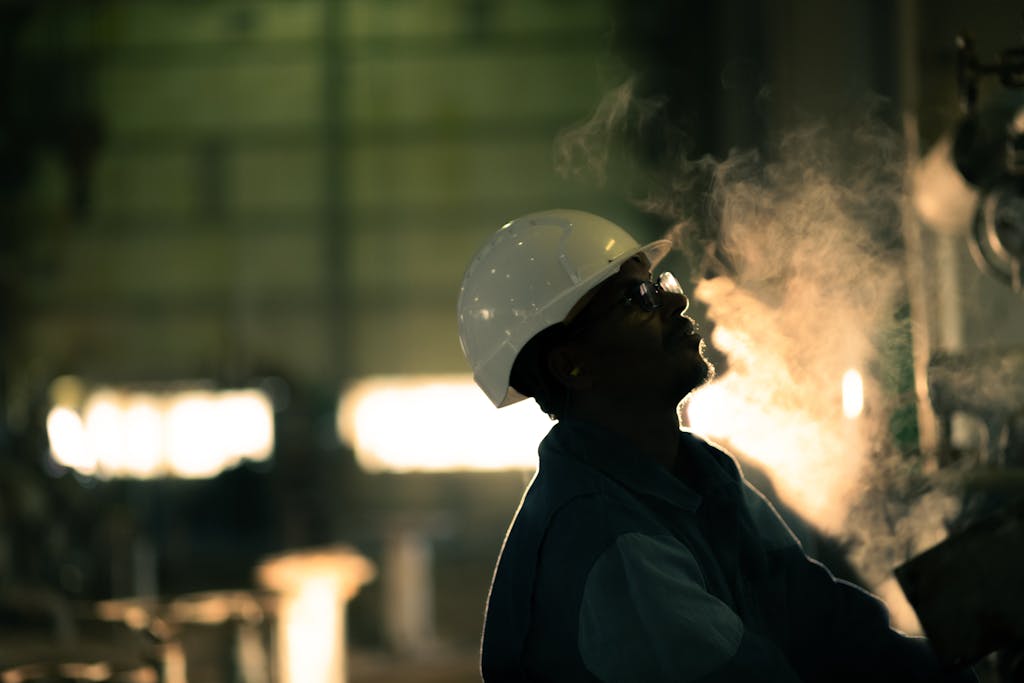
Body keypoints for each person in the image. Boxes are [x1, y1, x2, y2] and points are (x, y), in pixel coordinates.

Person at [456, 209, 977, 682]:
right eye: (638, 299)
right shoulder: (607, 542)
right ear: (572, 365)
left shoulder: (702, 476)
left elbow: (818, 622)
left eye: (660, 284)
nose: (677, 301)